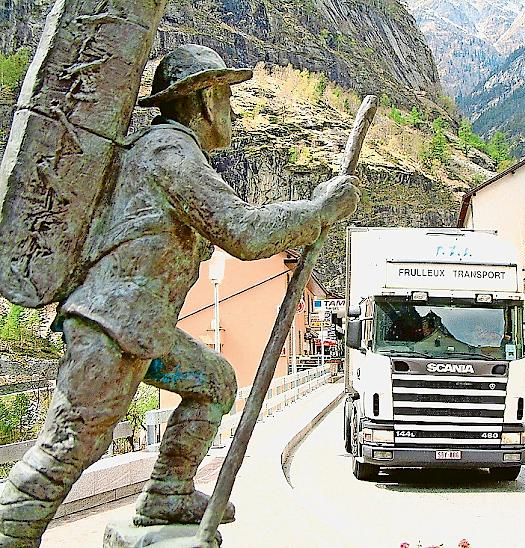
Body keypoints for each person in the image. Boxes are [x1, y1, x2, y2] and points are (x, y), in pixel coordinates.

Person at [0, 44, 359, 546]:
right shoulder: (169, 151)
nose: (232, 113)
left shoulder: (163, 150)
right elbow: (243, 231)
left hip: (139, 326)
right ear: (206, 100)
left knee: (213, 381)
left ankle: (168, 490)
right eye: (227, 100)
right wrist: (319, 209)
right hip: (113, 324)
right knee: (68, 447)